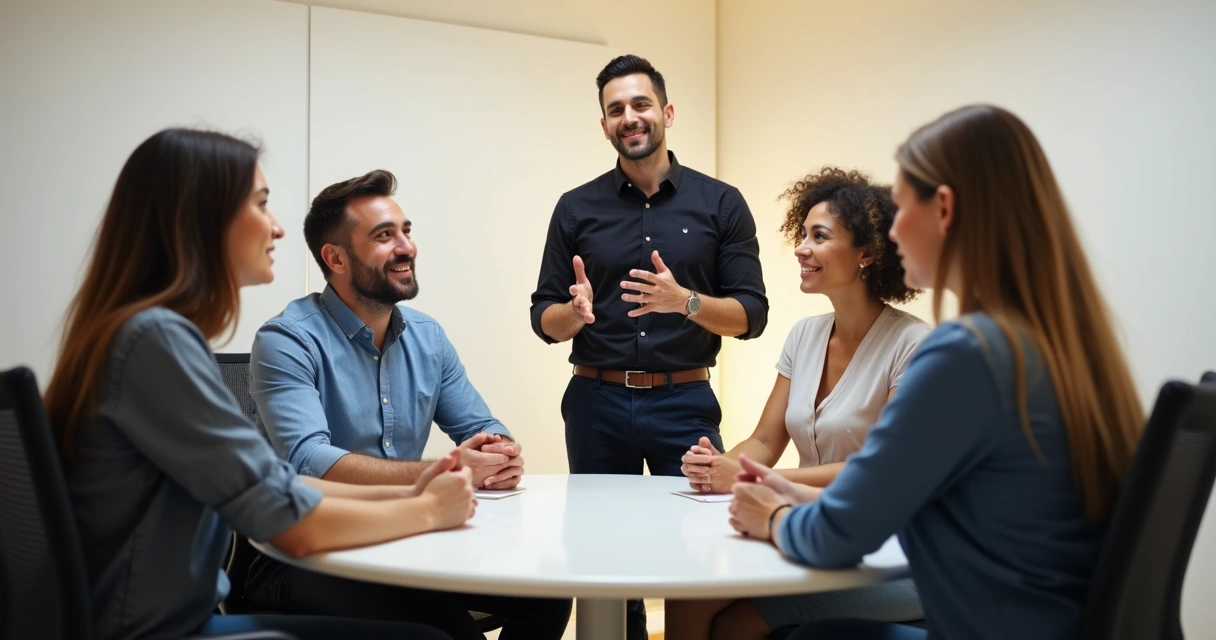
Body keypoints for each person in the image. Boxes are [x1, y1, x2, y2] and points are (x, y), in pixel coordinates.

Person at [728, 105, 1145, 640]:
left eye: (902, 207)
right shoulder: (1059, 345)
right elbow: (890, 500)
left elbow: (839, 535)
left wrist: (772, 517)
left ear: (943, 209)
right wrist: (787, 495)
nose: (893, 230)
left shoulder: (967, 354)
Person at [42, 128, 471, 640]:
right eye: (261, 203)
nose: (278, 228)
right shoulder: (155, 340)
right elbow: (288, 524)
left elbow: (275, 483)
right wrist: (427, 510)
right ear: (202, 219)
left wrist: (410, 492)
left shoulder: (137, 333)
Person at [244, 169, 571, 640]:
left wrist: (498, 453)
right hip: (300, 553)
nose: (406, 247)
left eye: (406, 231)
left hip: (405, 534)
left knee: (547, 592)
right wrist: (442, 471)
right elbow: (309, 461)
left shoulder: (427, 336)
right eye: (384, 236)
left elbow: (481, 424)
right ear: (335, 258)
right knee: (439, 623)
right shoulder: (287, 340)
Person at [530, 53, 768, 638]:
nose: (629, 117)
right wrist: (573, 315)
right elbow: (543, 318)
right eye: (616, 110)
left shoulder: (721, 203)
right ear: (604, 125)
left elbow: (752, 316)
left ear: (667, 112)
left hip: (683, 402)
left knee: (701, 547)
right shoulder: (575, 207)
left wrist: (685, 301)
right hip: (596, 402)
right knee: (602, 558)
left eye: (640, 104)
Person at [667, 167, 928, 639]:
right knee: (687, 593)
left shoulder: (912, 345)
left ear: (867, 253)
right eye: (802, 234)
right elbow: (766, 440)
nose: (801, 248)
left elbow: (880, 470)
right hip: (819, 529)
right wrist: (719, 466)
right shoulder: (804, 335)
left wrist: (754, 478)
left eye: (819, 236)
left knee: (735, 625)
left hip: (896, 552)